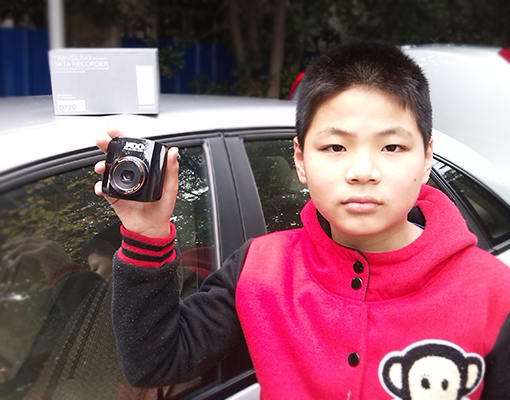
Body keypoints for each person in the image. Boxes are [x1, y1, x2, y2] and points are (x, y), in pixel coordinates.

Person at [94, 41, 510, 399]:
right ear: (300, 160)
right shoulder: (259, 269)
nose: (362, 171)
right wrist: (146, 233)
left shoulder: (495, 292)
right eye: (335, 147)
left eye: (392, 147)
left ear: (427, 157)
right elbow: (156, 362)